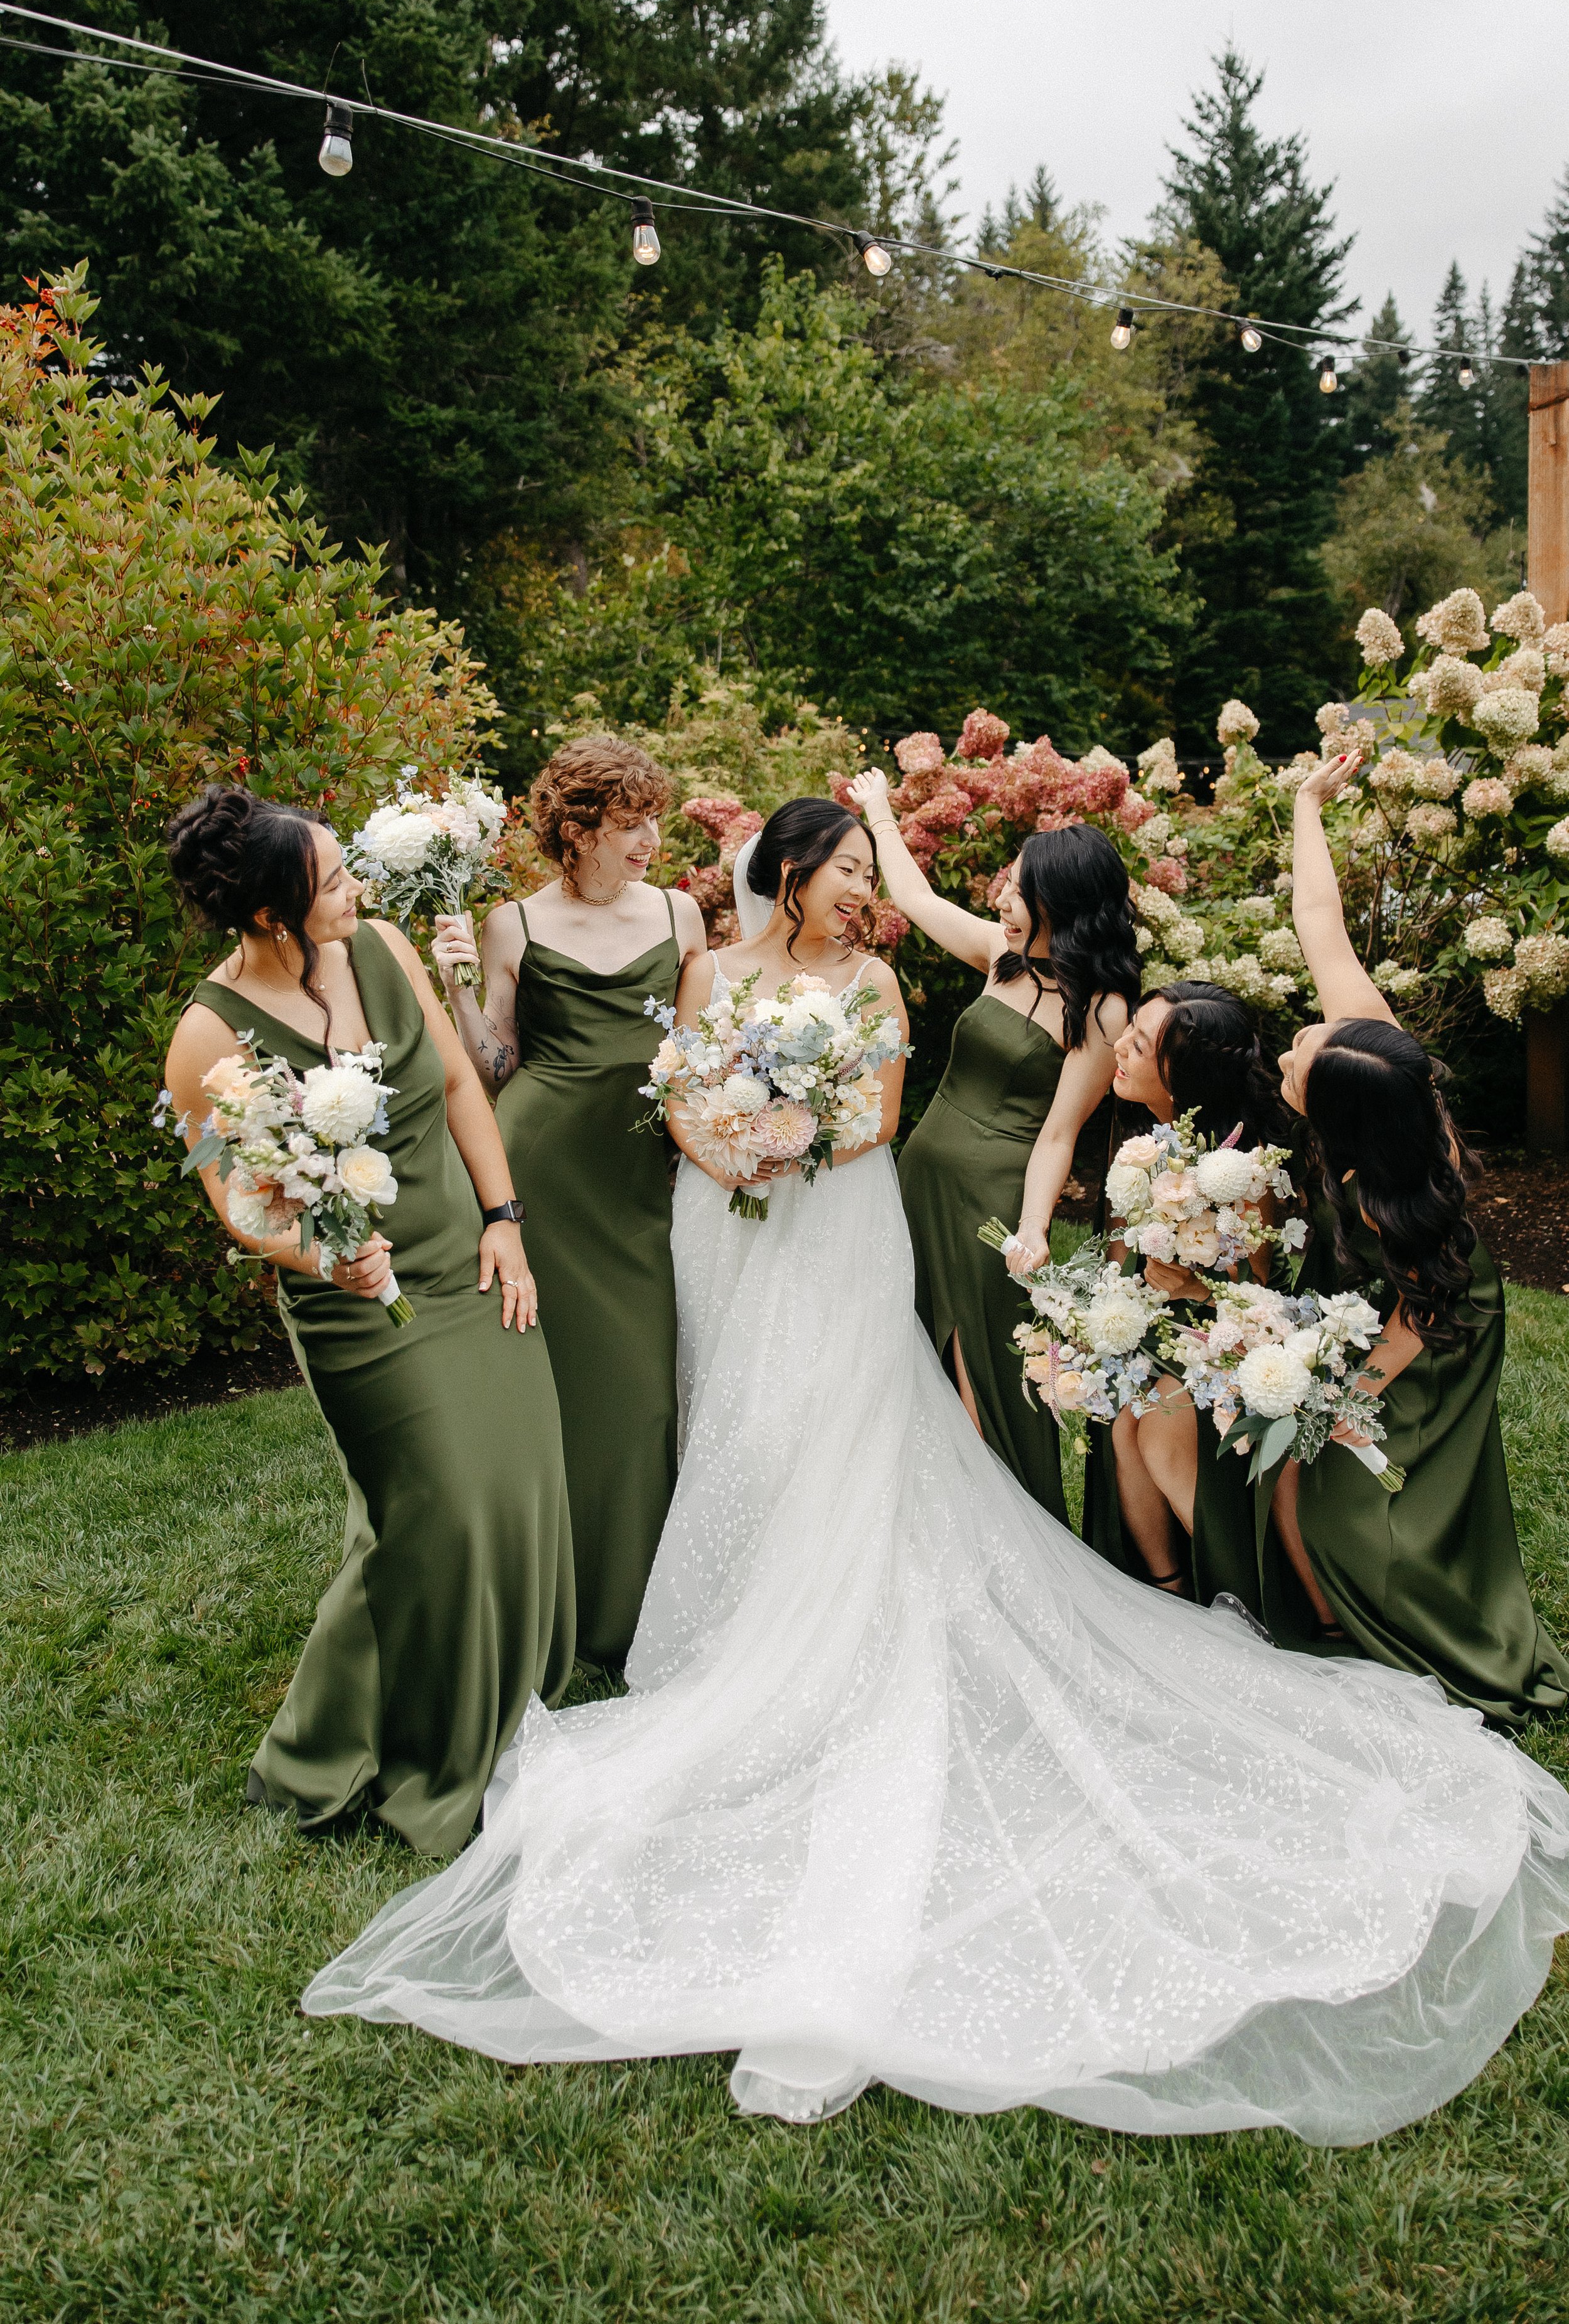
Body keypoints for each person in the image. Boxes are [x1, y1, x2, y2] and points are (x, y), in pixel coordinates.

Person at [302, 791, 1569, 2147]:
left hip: (852, 1209)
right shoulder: (744, 962)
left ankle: (1115, 1579)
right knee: (738, 1402)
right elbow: (682, 1077)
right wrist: (730, 1130)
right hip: (732, 1218)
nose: (863, 891)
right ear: (785, 878)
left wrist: (815, 1143)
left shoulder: (945, 992)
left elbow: (898, 1107)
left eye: (867, 871)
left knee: (861, 1402)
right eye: (841, 869)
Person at [164, 787, 574, 1855]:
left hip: (466, 1253)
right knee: (433, 1506)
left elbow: (457, 1088)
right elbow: (238, 1200)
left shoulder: (384, 947)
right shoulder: (209, 1031)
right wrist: (322, 1257)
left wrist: (505, 1219)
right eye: (331, 883)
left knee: (516, 1475)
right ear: (267, 917)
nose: (355, 892)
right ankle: (330, 1748)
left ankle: (507, 1695)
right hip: (357, 1303)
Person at [1249, 749, 1569, 1723]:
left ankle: (1385, 1598)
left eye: (1300, 1053)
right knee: (1288, 1475)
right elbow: (1320, 924)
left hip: (1436, 1312)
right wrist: (1306, 802)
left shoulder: (1393, 1199)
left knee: (1337, 1498)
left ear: (1339, 1110)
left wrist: (1323, 1407)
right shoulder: (1381, 1056)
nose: (1294, 1045)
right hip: (1385, 1300)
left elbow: (1408, 1333)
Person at [435, 738, 706, 1667]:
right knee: (559, 1391)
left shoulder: (680, 911)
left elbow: (700, 1051)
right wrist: (456, 986)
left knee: (642, 1394)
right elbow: (492, 1064)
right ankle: (559, 1604)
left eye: (652, 819)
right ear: (578, 828)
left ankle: (637, 1604)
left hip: (640, 1173)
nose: (651, 839)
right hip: (545, 1164)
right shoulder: (513, 920)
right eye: (631, 824)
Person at [845, 770, 1138, 1520]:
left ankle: (1003, 1531)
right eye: (1005, 889)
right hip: (918, 1179)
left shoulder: (1101, 1008)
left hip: (993, 1197)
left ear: (1062, 905)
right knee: (904, 1353)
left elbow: (1058, 1132)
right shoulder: (1000, 959)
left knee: (978, 1365)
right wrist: (880, 811)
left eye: (1017, 893)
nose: (1000, 904)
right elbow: (913, 898)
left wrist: (1035, 1226)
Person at [1083, 981, 1292, 1612]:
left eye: (1139, 1044)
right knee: (1124, 1425)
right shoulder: (1150, 1145)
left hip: (1230, 1336)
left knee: (1158, 1431)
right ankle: (1167, 1593)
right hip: (1159, 1325)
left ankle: (1251, 1596)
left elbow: (1259, 1290)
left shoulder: (1243, 1168)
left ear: (1181, 1075)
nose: (1119, 1046)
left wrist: (1197, 1285)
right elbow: (1120, 1261)